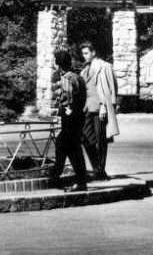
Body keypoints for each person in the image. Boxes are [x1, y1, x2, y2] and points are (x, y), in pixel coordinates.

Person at [49, 50, 89, 192]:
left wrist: (68, 109)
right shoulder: (77, 76)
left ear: (59, 64)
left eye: (55, 61)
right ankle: (57, 176)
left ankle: (59, 177)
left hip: (70, 117)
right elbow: (83, 96)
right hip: (79, 117)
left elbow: (69, 98)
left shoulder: (66, 78)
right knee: (69, 147)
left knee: (68, 147)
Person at [80, 41, 120, 180]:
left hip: (99, 109)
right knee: (86, 139)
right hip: (86, 109)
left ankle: (100, 170)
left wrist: (105, 105)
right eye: (83, 53)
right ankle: (96, 168)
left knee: (100, 140)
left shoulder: (105, 67)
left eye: (86, 53)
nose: (84, 56)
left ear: (93, 52)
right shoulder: (85, 69)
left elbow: (112, 88)